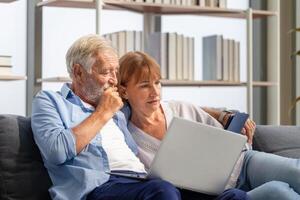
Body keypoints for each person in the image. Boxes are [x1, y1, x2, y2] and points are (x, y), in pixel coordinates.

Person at [31, 35, 248, 200]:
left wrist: (220, 114)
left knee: (234, 196)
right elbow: (56, 151)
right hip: (98, 187)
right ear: (78, 72)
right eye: (106, 72)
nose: (114, 80)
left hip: (141, 180)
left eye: (116, 72)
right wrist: (103, 112)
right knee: (163, 191)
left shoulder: (119, 109)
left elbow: (157, 102)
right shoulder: (50, 102)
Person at [118, 51, 300, 200]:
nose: (155, 92)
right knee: (279, 191)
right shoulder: (128, 139)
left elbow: (228, 138)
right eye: (144, 85)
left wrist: (228, 120)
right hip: (219, 194)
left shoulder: (180, 108)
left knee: (295, 172)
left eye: (157, 83)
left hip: (242, 165)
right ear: (124, 91)